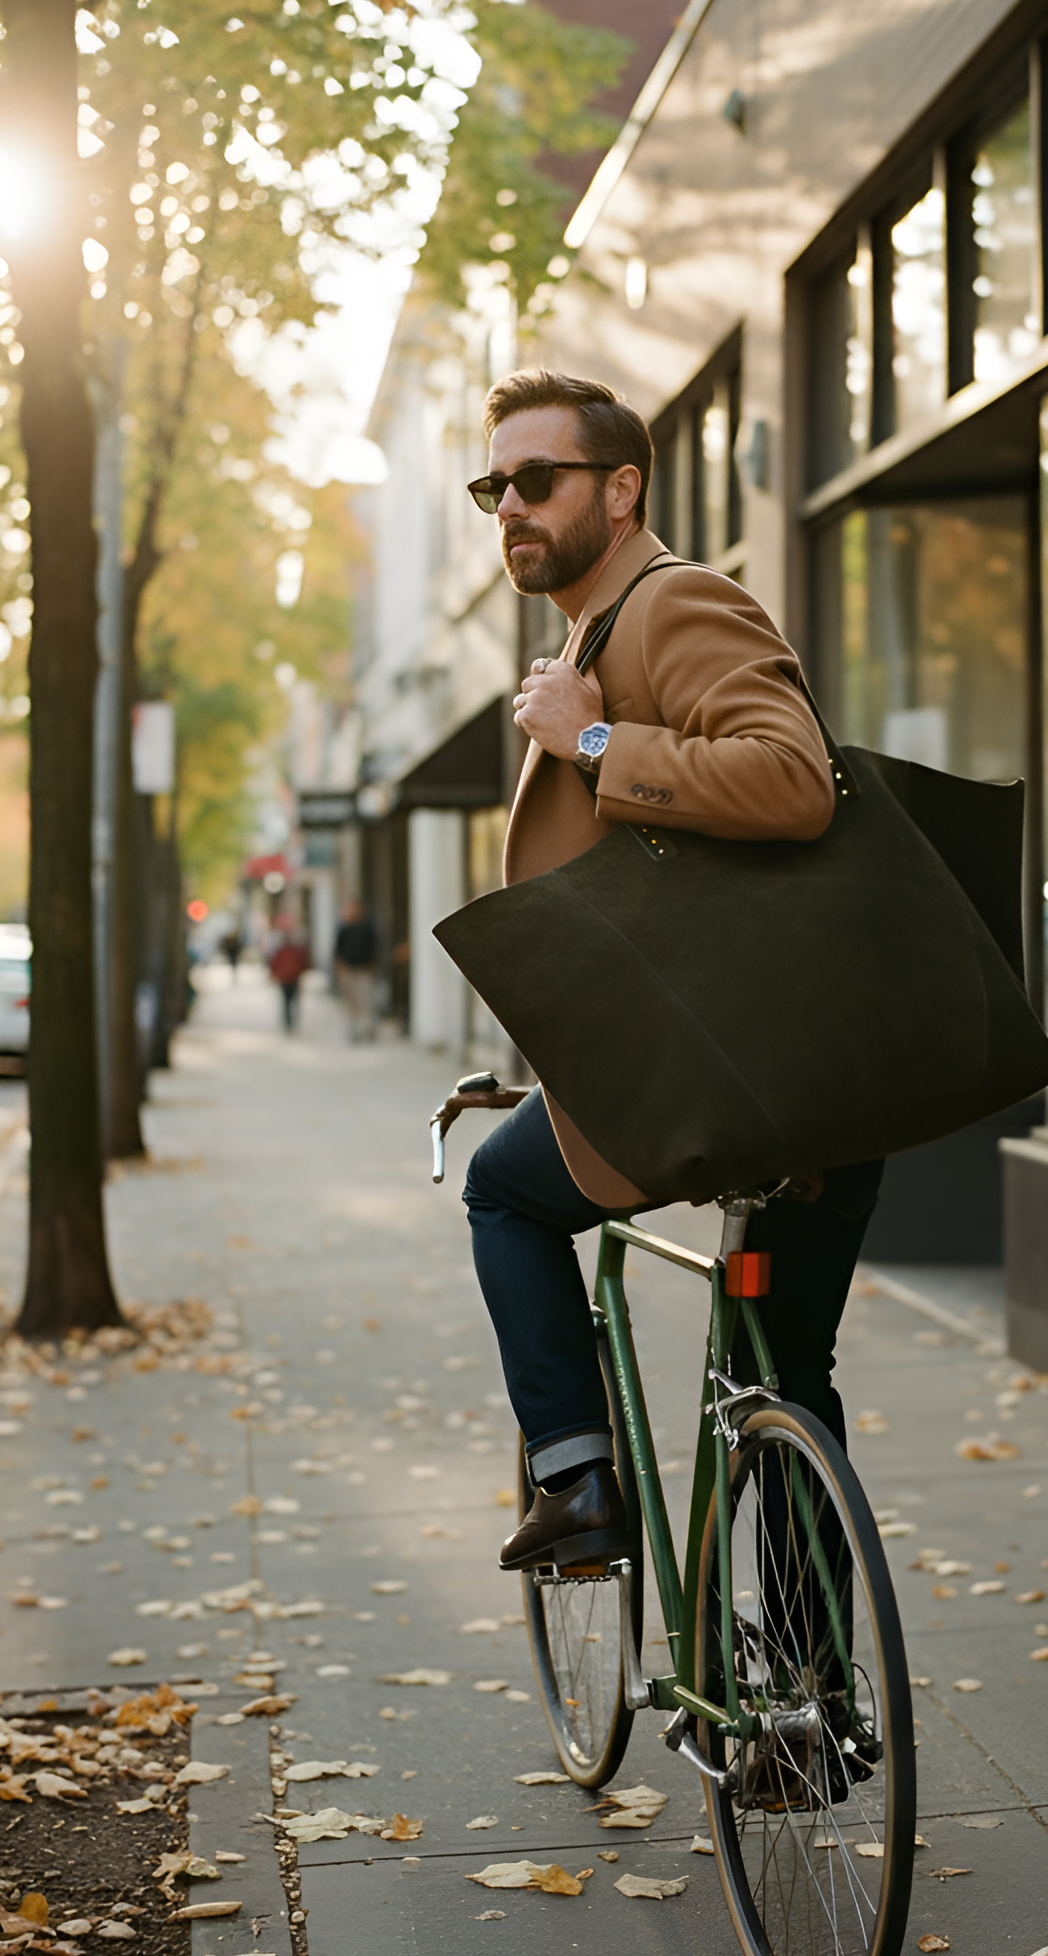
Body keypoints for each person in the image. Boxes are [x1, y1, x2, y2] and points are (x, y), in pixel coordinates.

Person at [459, 369, 883, 1574]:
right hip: (801, 1065)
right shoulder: (596, 633)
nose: (511, 508)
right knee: (785, 1375)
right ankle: (799, 1703)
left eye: (539, 480)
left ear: (624, 486)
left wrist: (591, 740)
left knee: (503, 1191)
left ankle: (577, 1478)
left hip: (735, 1066)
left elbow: (792, 781)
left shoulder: (677, 602)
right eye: (496, 487)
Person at [332, 900, 379, 1042]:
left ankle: (367, 1029)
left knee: (366, 1000)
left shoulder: (367, 929)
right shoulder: (344, 930)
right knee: (351, 1002)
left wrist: (372, 967)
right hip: (349, 970)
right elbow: (338, 952)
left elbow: (374, 949)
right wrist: (340, 971)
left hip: (364, 970)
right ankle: (354, 1030)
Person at [267, 920, 309, 1033]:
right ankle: (289, 1021)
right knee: (289, 1001)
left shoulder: (290, 949)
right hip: (288, 978)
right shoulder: (288, 949)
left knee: (289, 1001)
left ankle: (290, 1021)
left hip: (290, 978)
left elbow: (302, 962)